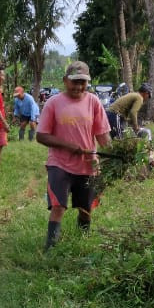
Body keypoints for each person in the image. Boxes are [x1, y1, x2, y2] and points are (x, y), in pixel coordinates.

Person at [36, 60, 111, 249]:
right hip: (59, 164)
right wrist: (70, 146)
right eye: (75, 81)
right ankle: (50, 248)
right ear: (65, 81)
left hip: (87, 165)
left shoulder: (93, 102)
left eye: (83, 82)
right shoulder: (53, 103)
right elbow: (41, 136)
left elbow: (102, 136)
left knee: (86, 209)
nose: (79, 86)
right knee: (58, 207)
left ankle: (82, 244)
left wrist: (112, 155)